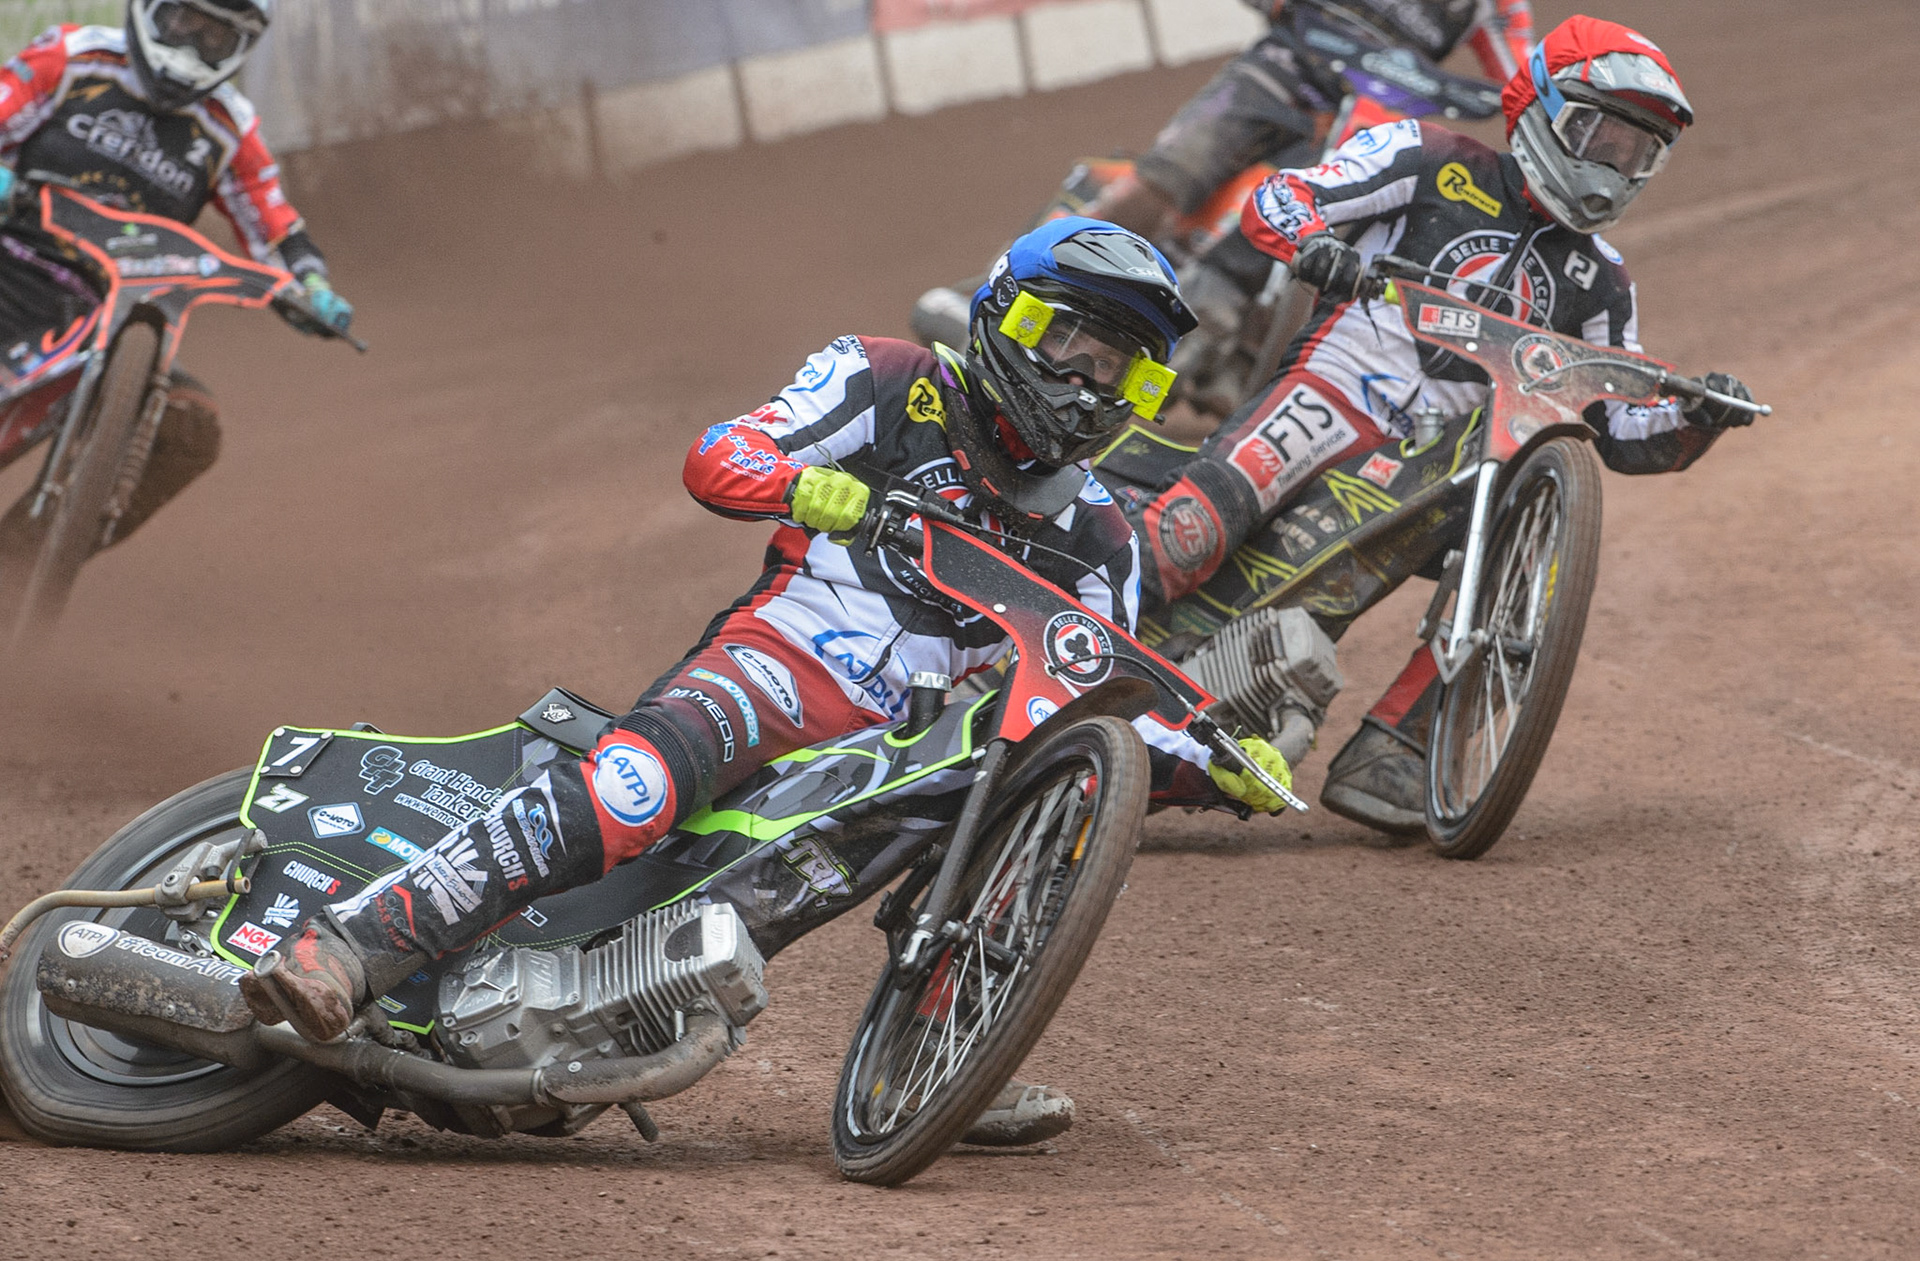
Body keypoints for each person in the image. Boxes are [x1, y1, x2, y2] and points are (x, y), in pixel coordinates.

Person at [238, 218, 1292, 1142]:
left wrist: (1213, 762)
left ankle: (944, 1056)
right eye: (1069, 344)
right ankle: (356, 946)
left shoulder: (1103, 537)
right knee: (631, 791)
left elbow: (1093, 691)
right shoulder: (888, 380)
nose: (1089, 382)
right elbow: (718, 455)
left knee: (1042, 808)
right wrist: (803, 486)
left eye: (1121, 368)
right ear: (1004, 317)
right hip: (779, 668)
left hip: (908, 749)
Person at [1116, 15, 1757, 834]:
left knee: (1530, 547)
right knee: (1184, 540)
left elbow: (1622, 427)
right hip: (1335, 394)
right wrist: (1313, 245)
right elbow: (1284, 196)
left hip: (1445, 475)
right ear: (1542, 109)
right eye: (1600, 136)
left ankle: (1398, 745)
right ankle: (1045, 645)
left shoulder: (1603, 284)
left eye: (1636, 152)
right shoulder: (1428, 157)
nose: (1612, 164)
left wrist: (1696, 417)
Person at [911, 0, 1534, 362]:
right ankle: (995, 294)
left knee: (1348, 212)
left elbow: (1523, 77)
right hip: (1284, 70)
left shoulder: (1493, 5)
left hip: (1374, 110)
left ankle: (1230, 344)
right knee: (1165, 179)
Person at [0, 2, 353, 550]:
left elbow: (274, 224)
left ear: (240, 47)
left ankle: (19, 563)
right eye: (185, 20)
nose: (192, 45)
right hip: (14, 256)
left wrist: (312, 287)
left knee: (188, 426)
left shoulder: (229, 126)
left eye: (215, 37)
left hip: (108, 307)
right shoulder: (73, 57)